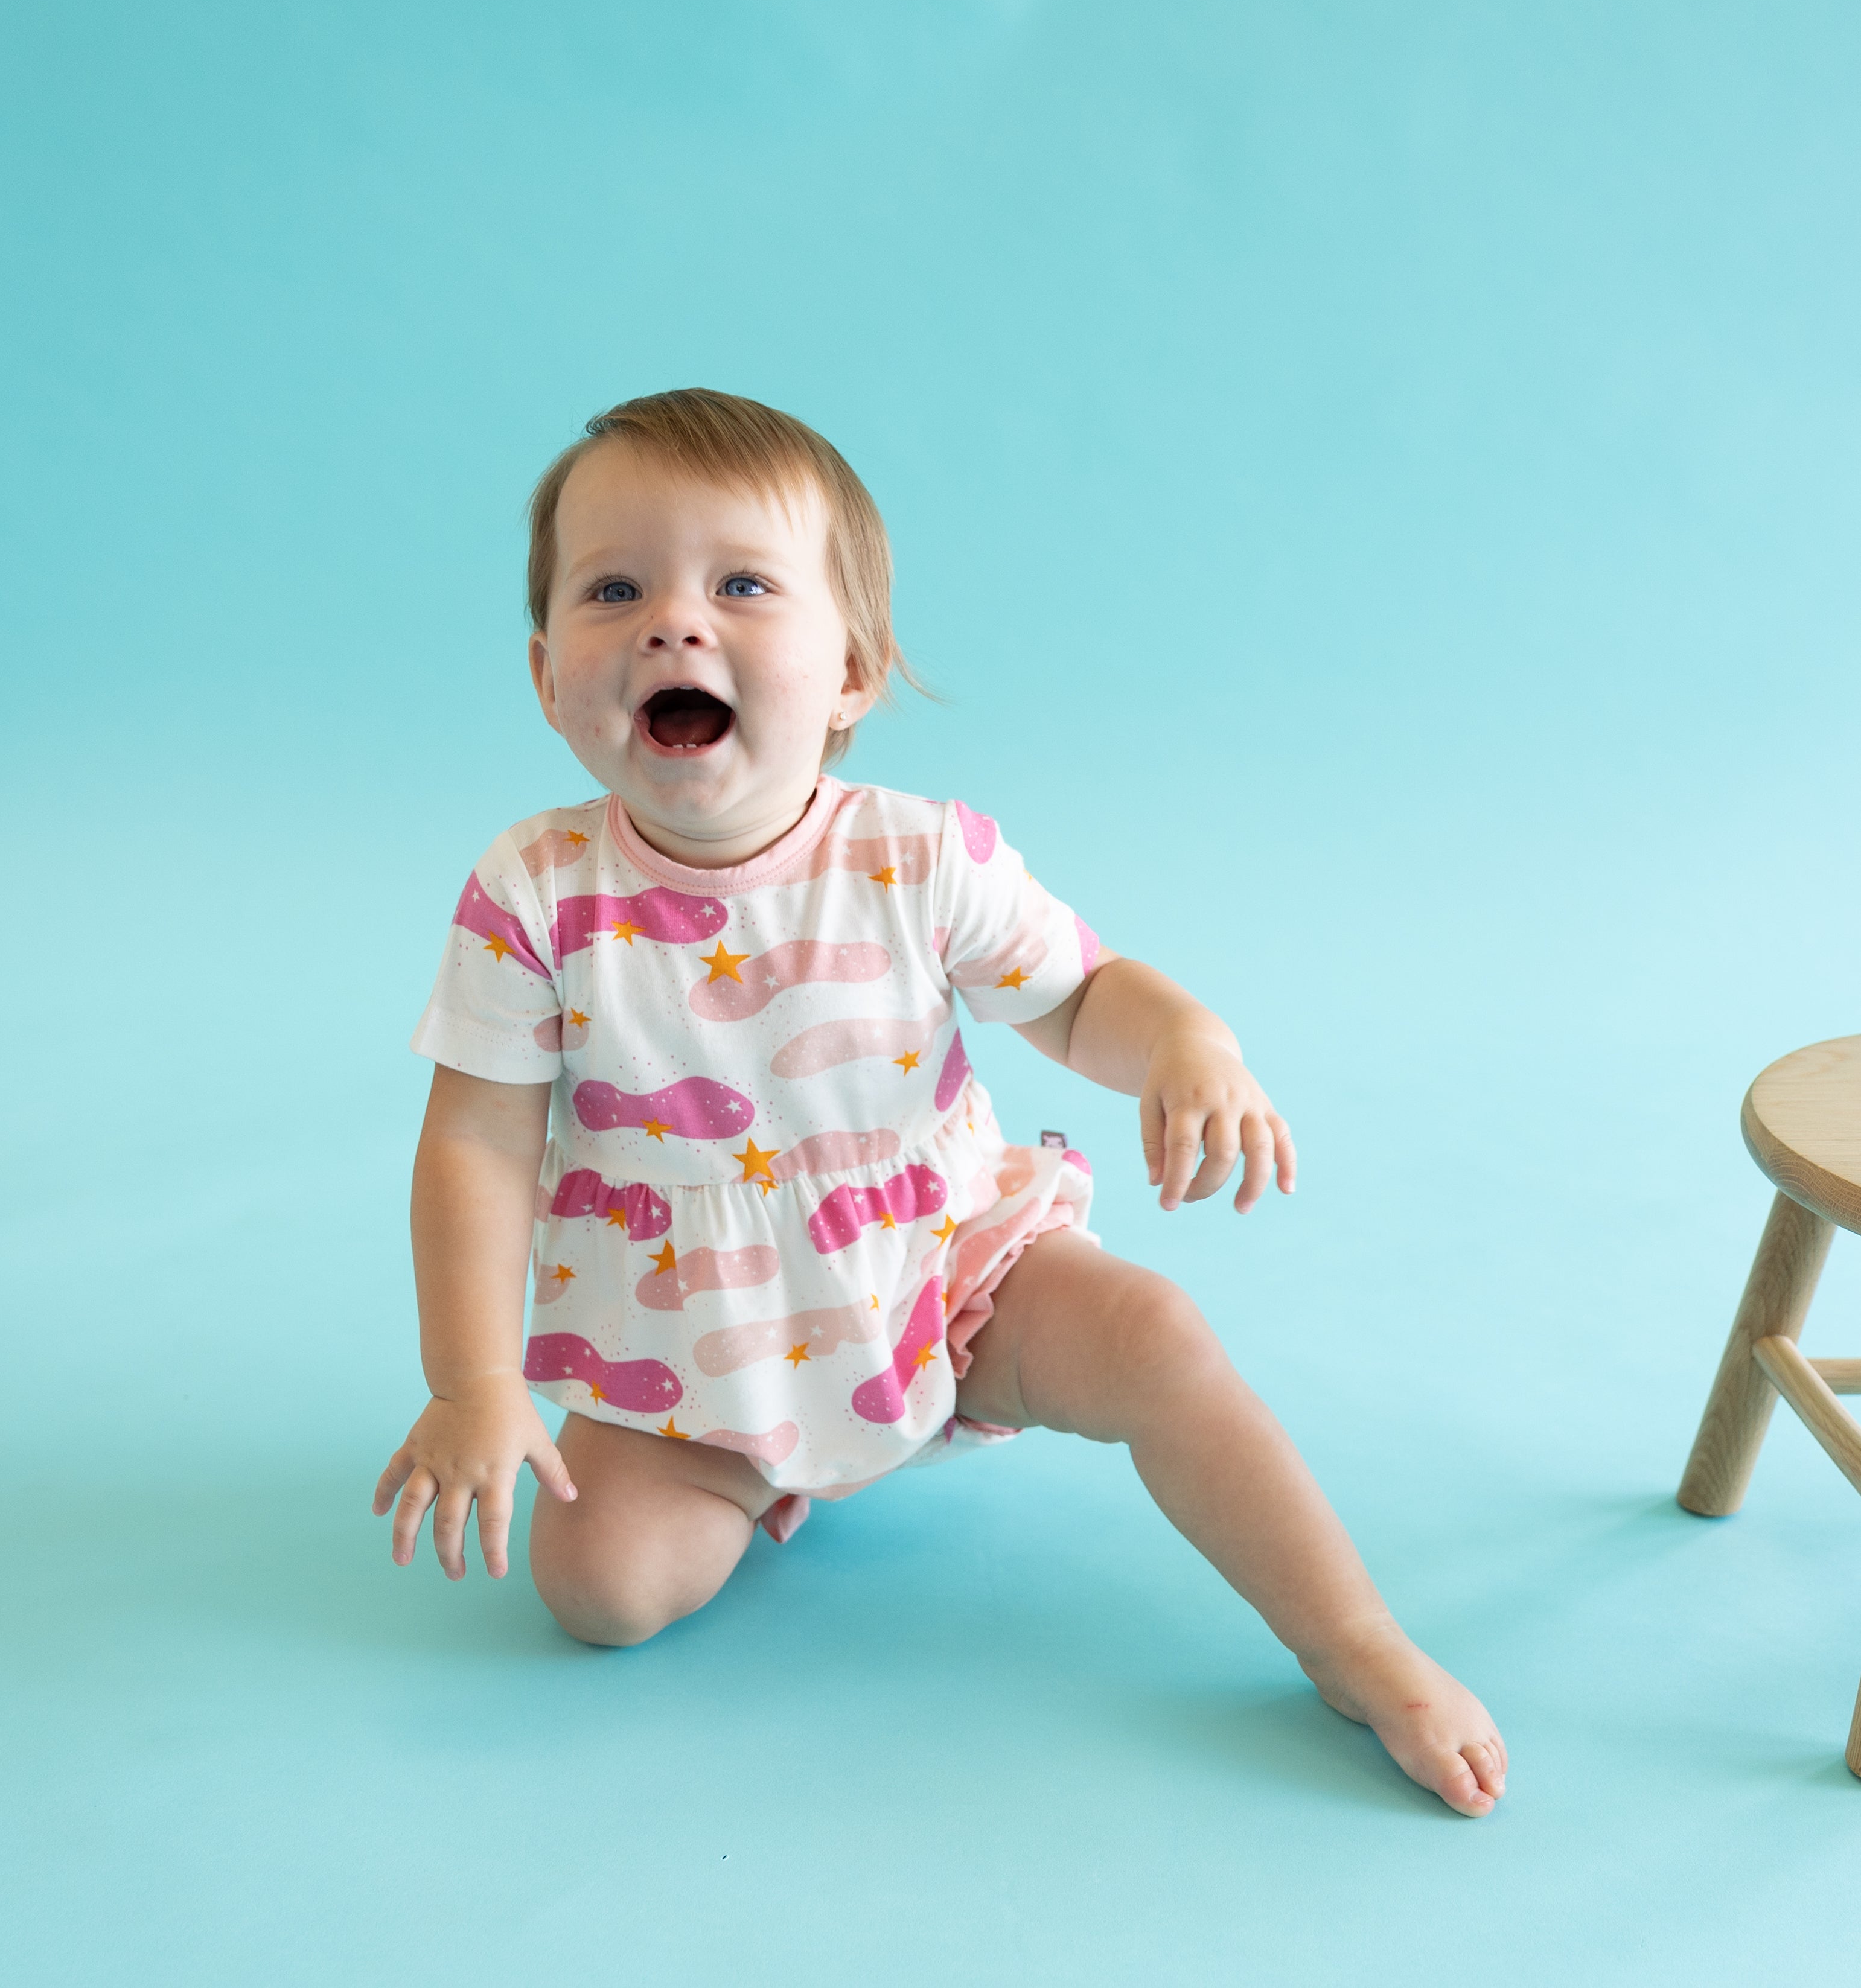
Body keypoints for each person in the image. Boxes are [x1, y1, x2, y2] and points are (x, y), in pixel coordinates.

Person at [373, 389, 1508, 1817]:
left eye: (741, 585)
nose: (674, 621)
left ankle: (1358, 1642)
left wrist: (1187, 1043)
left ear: (850, 670)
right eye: (615, 589)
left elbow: (1081, 995)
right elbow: (475, 1142)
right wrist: (472, 1383)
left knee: (1156, 1334)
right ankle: (769, 1463)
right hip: (691, 1335)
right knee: (599, 1591)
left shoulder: (918, 856)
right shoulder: (536, 889)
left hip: (938, 1276)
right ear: (549, 677)